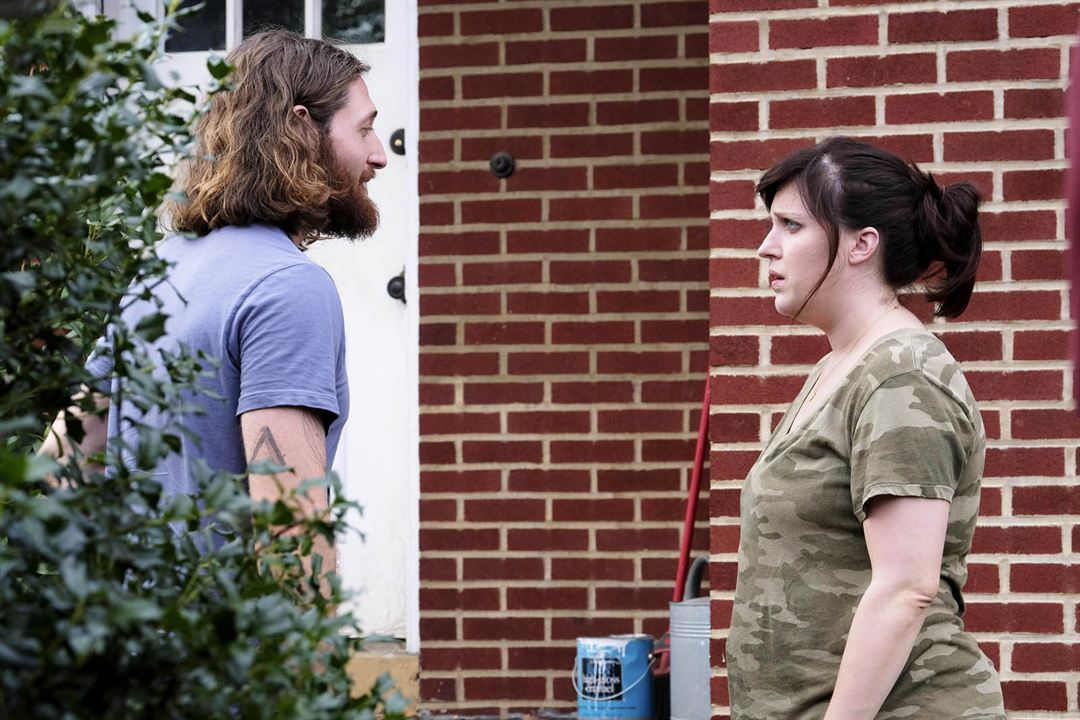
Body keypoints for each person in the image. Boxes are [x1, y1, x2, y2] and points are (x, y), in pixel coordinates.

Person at [43, 29, 388, 579]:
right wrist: (311, 661)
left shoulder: (162, 268)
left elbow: (59, 470)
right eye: (365, 128)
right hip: (230, 657)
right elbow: (289, 530)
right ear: (302, 125)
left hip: (136, 643)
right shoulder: (286, 286)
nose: (378, 155)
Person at [727, 137, 1005, 719]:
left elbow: (907, 589)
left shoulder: (901, 375)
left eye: (790, 225)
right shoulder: (841, 366)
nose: (765, 247)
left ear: (861, 244)